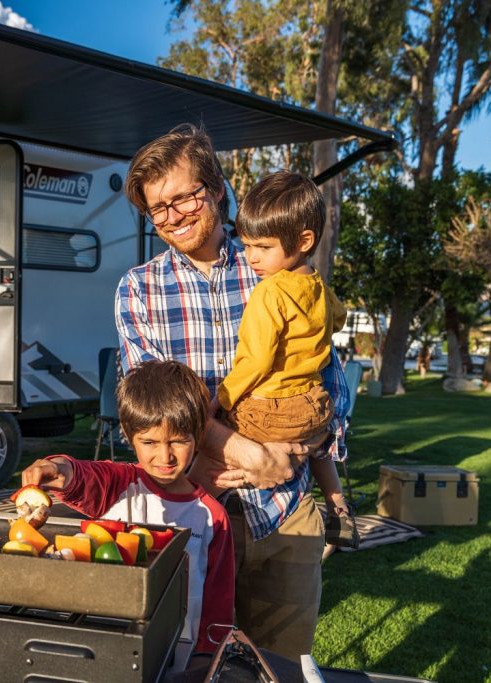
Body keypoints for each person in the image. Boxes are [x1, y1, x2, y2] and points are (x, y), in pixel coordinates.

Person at [115, 124, 351, 658]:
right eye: (158, 209)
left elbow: (327, 376)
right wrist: (245, 451)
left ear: (217, 189)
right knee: (186, 661)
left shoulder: (275, 264)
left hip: (286, 511)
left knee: (282, 664)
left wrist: (326, 484)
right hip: (192, 511)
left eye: (184, 197)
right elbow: (151, 407)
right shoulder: (139, 290)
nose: (173, 216)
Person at [21, 360, 233, 669]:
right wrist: (56, 468)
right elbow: (80, 475)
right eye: (149, 442)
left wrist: (205, 663)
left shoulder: (212, 516)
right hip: (99, 649)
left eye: (178, 441)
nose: (165, 456)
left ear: (198, 435)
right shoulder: (117, 483)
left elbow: (218, 606)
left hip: (178, 662)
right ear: (129, 435)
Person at [215, 171, 358, 550]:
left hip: (270, 408)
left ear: (304, 240)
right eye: (246, 246)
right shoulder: (318, 286)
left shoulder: (268, 292)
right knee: (314, 443)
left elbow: (255, 361)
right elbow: (340, 317)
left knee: (213, 430)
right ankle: (338, 505)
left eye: (262, 246)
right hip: (312, 404)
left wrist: (222, 400)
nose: (251, 258)